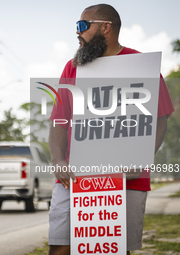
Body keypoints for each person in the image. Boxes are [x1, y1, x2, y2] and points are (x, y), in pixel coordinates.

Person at [48, 4, 174, 255]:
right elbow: (59, 120)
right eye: (77, 26)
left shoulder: (142, 66)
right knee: (61, 247)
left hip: (128, 179)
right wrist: (58, 159)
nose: (77, 32)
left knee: (115, 249)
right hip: (74, 177)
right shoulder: (72, 67)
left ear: (106, 27)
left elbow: (160, 118)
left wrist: (141, 157)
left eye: (83, 25)